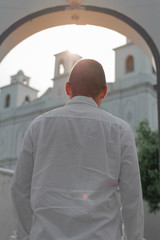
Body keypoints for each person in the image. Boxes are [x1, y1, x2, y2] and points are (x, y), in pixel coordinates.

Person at [11, 59, 144, 240]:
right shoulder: (120, 130)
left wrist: (23, 236)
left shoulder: (38, 126)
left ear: (67, 88)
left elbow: (20, 188)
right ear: (104, 92)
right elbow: (132, 196)